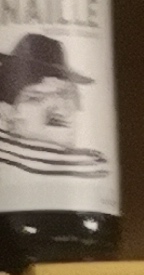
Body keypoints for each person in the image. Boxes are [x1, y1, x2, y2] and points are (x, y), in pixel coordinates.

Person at [0, 31, 104, 177]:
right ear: (7, 112)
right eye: (37, 97)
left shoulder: (95, 166)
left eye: (65, 94)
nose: (58, 107)